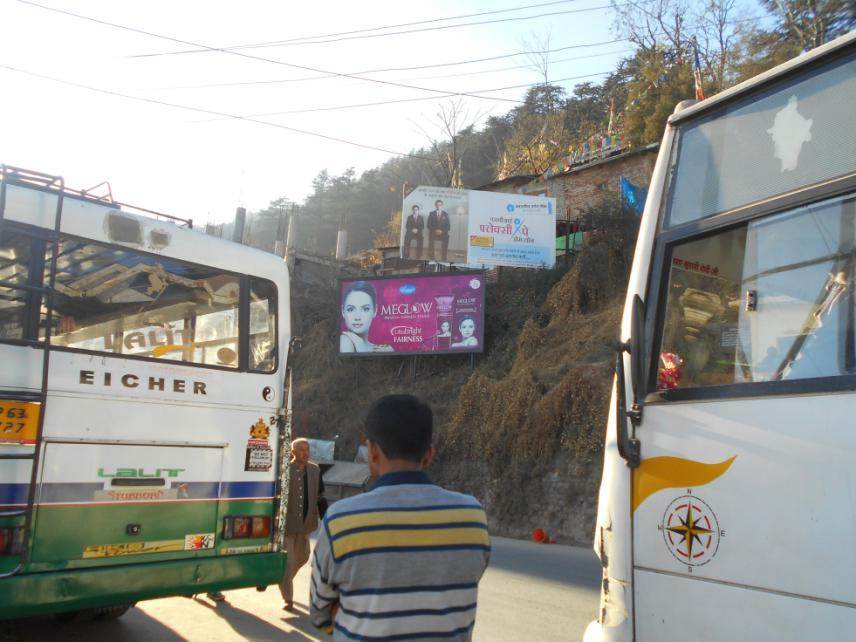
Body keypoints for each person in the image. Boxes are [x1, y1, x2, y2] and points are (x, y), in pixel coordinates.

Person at [310, 395, 490, 641]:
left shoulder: (341, 520)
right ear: (429, 455)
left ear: (371, 451)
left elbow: (319, 613)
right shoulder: (472, 517)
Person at [280, 437, 326, 611]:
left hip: (306, 523)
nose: (305, 453)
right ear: (293, 452)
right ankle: (288, 598)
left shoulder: (315, 470)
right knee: (289, 561)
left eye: (307, 450)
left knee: (303, 557)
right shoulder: (285, 470)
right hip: (288, 525)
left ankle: (282, 579)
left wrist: (326, 517)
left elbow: (320, 497)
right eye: (301, 450)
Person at [339, 281, 393, 354]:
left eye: (365, 309)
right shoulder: (345, 340)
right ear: (343, 311)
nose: (357, 317)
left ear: (375, 310)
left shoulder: (382, 348)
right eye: (350, 309)